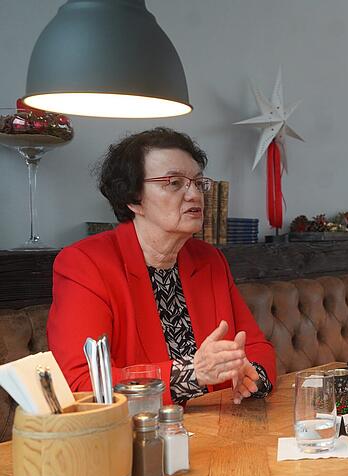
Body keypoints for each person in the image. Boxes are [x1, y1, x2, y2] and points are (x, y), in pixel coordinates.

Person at [48, 128, 276, 405]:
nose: (194, 194)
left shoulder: (209, 259)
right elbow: (83, 383)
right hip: (138, 435)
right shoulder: (85, 263)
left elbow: (256, 347)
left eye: (198, 182)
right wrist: (192, 375)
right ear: (133, 199)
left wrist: (252, 378)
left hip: (216, 428)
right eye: (174, 183)